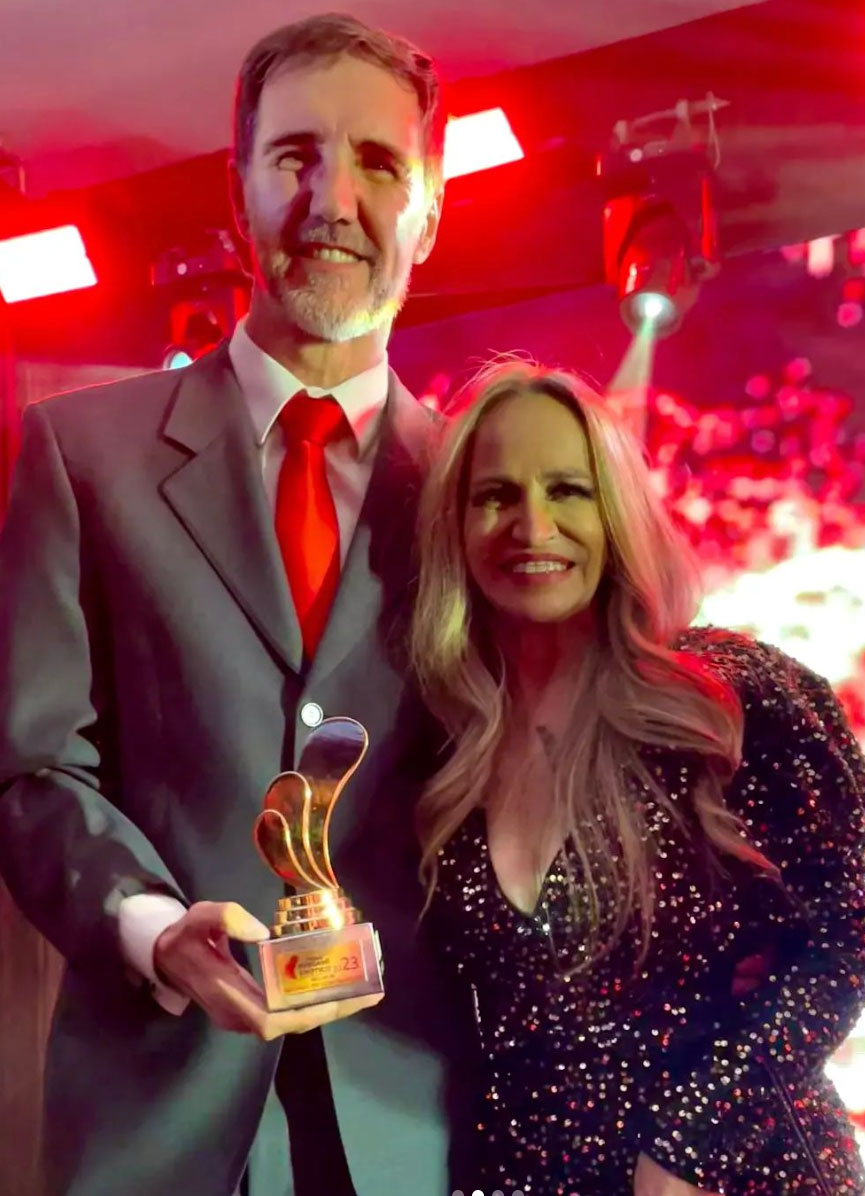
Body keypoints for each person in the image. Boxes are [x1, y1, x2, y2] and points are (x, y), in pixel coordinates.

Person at [0, 14, 479, 1196]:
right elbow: (29, 766)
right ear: (237, 190)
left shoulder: (478, 491)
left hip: (420, 1120)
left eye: (380, 164)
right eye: (295, 156)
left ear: (428, 211)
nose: (331, 200)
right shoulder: (81, 454)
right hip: (153, 1116)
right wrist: (153, 926)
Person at [410, 360, 865, 1195]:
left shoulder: (732, 698)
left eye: (568, 490)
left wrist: (689, 1145)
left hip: (740, 1177)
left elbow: (850, 935)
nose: (532, 525)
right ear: (455, 522)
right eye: (495, 496)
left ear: (617, 510)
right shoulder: (444, 744)